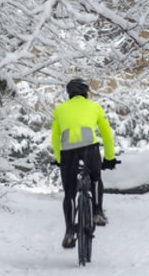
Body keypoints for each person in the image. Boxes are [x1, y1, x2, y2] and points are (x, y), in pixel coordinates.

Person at [51, 78, 117, 249]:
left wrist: (59, 160)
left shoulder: (60, 110)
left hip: (68, 153)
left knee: (69, 193)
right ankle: (97, 212)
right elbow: (107, 134)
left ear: (69, 93)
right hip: (89, 150)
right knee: (95, 178)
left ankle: (69, 232)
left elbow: (55, 139)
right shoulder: (95, 107)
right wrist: (109, 157)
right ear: (86, 92)